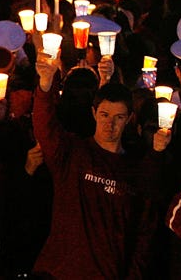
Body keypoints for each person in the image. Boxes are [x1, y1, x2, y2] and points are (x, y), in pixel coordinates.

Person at [31, 60, 170, 278]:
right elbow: (45, 126)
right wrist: (45, 86)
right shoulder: (72, 153)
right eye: (105, 115)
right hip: (59, 273)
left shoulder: (135, 169)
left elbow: (144, 231)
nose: (110, 124)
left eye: (119, 117)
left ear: (129, 120)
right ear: (94, 112)